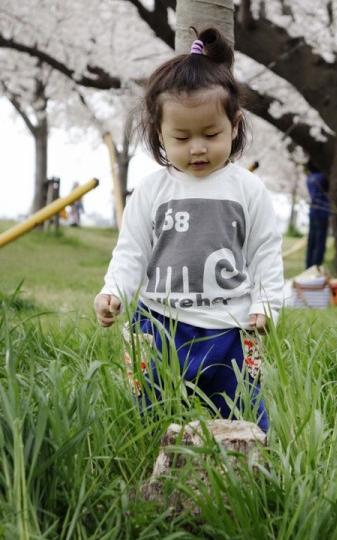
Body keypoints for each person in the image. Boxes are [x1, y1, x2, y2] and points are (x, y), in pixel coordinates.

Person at [94, 27, 284, 432]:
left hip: (231, 328)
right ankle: (153, 459)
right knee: (152, 412)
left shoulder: (246, 189)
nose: (197, 148)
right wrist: (113, 292)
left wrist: (265, 305)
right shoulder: (152, 190)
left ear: (234, 126)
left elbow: (265, 251)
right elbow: (132, 251)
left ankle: (252, 475)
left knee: (244, 413)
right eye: (181, 137)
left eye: (211, 134)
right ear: (158, 132)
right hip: (159, 322)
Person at [305, 160, 330, 268]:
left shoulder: (309, 178)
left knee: (311, 242)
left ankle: (308, 266)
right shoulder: (322, 177)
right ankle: (316, 267)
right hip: (322, 213)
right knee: (320, 242)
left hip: (312, 212)